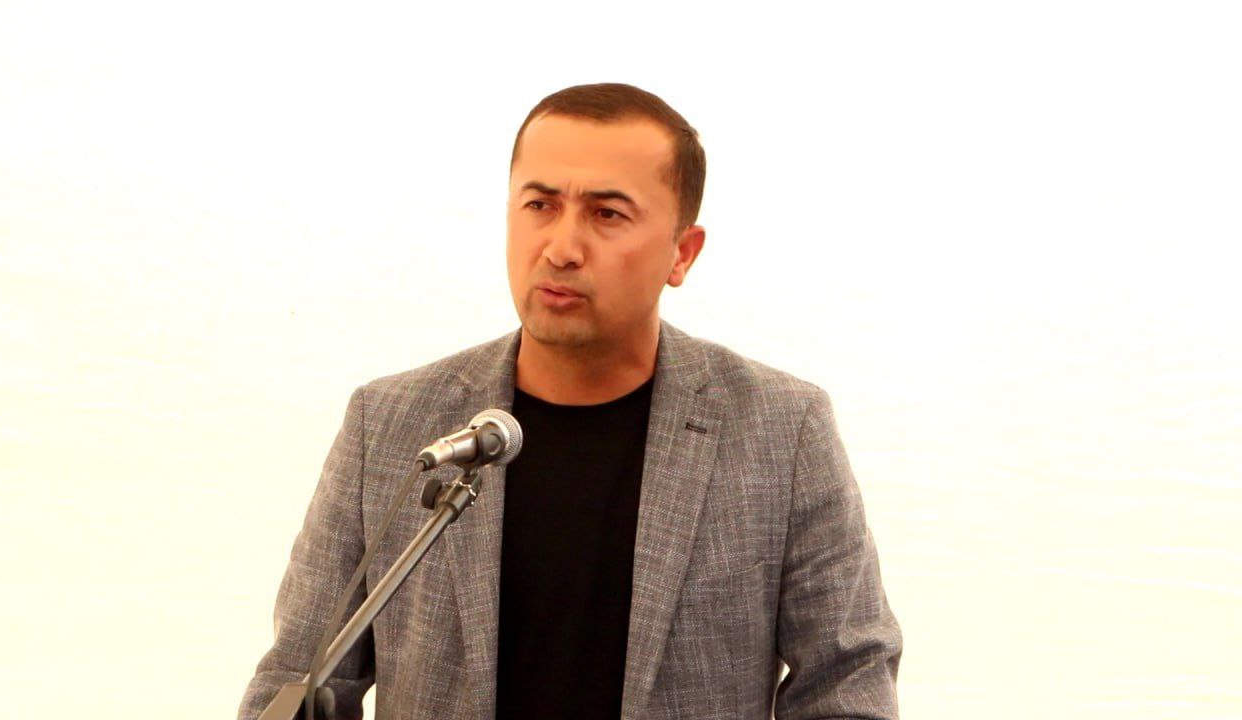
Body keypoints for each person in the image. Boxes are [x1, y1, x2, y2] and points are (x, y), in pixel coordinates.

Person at [238, 82, 902, 720]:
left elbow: (847, 688)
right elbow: (301, 680)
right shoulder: (389, 424)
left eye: (607, 214)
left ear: (682, 253)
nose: (561, 248)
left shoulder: (782, 433)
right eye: (540, 205)